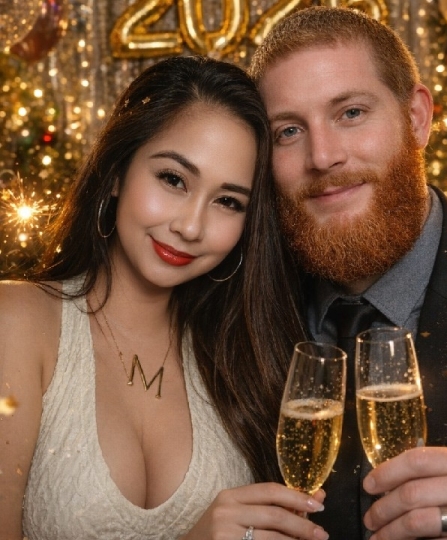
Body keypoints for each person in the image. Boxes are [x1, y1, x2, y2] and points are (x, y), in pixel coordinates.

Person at [0, 55, 330, 540]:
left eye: (228, 202)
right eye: (173, 179)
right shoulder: (18, 323)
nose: (191, 227)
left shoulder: (245, 358)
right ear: (117, 171)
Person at [249, 6, 447, 539]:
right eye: (288, 131)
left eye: (351, 113)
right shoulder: (237, 311)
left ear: (417, 118)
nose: (323, 156)